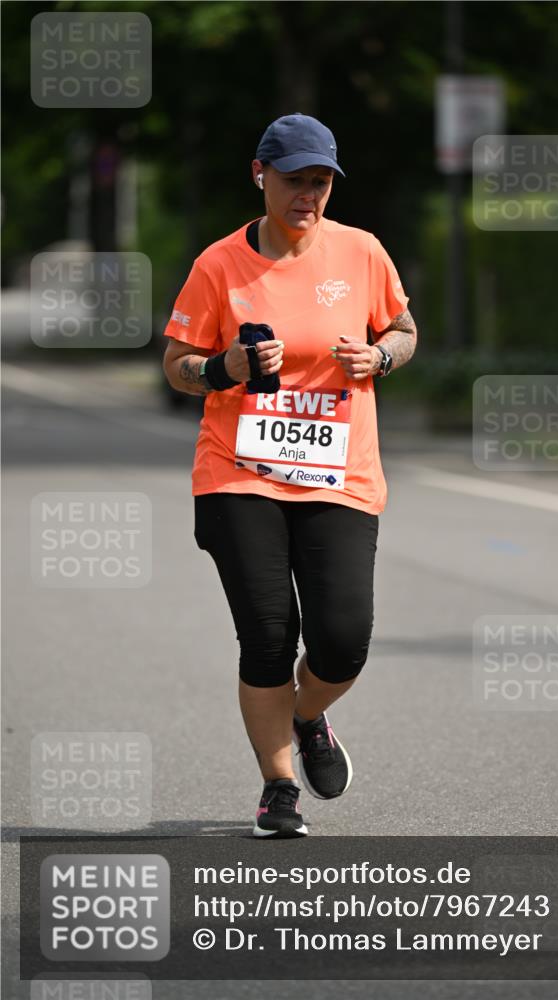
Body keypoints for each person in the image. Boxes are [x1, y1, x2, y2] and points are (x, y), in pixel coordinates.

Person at [163, 113, 417, 838]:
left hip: (337, 473)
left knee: (342, 640)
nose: (308, 194)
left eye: (320, 182)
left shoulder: (361, 252)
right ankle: (278, 789)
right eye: (294, 180)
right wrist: (223, 368)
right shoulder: (219, 264)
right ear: (259, 175)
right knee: (269, 636)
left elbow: (401, 329)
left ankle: (307, 715)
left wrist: (383, 358)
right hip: (238, 472)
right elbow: (177, 367)